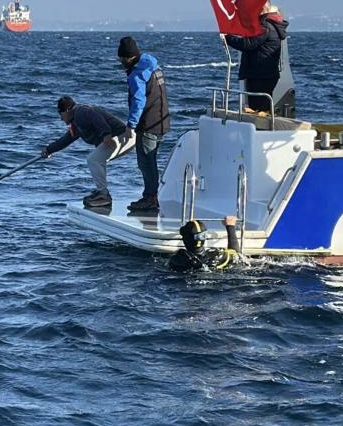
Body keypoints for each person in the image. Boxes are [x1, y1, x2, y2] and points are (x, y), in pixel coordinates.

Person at [42, 95, 136, 209]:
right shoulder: (76, 123)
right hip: (120, 138)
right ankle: (101, 192)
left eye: (60, 114)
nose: (61, 119)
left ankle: (103, 195)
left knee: (93, 159)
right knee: (97, 159)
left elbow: (96, 117)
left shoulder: (81, 112)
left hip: (123, 136)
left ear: (66, 110)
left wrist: (106, 135)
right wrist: (49, 150)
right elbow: (66, 140)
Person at [116, 36, 170, 213]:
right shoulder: (153, 66)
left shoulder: (137, 74)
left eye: (121, 59)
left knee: (146, 162)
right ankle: (151, 196)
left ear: (127, 57)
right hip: (161, 120)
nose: (121, 62)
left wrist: (131, 125)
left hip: (148, 123)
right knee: (151, 160)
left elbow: (138, 101)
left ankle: (150, 198)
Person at [225, 0, 289, 114]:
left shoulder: (265, 27)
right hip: (265, 74)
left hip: (260, 75)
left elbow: (248, 44)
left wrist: (228, 38)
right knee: (262, 107)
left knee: (258, 108)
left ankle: (262, 122)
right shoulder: (271, 25)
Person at [167, 216, 241, 271]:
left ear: (185, 239)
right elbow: (236, 254)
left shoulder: (177, 260)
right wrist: (230, 226)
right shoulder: (218, 256)